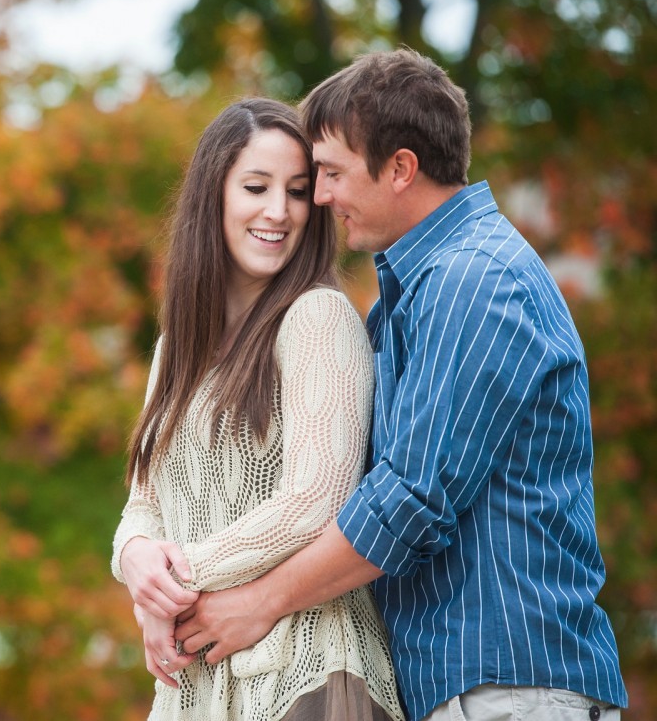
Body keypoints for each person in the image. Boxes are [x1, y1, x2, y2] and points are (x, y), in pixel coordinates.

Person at [172, 49, 629, 721]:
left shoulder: (475, 282)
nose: (320, 198)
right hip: (464, 690)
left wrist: (258, 600)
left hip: (510, 688)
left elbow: (410, 499)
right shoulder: (411, 296)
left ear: (401, 169)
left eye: (329, 174)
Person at [111, 97, 404, 721]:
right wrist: (136, 561)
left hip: (308, 680)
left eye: (299, 191)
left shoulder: (317, 319)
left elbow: (315, 500)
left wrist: (174, 586)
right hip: (198, 693)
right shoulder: (175, 350)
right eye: (255, 187)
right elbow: (144, 503)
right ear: (210, 196)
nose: (279, 211)